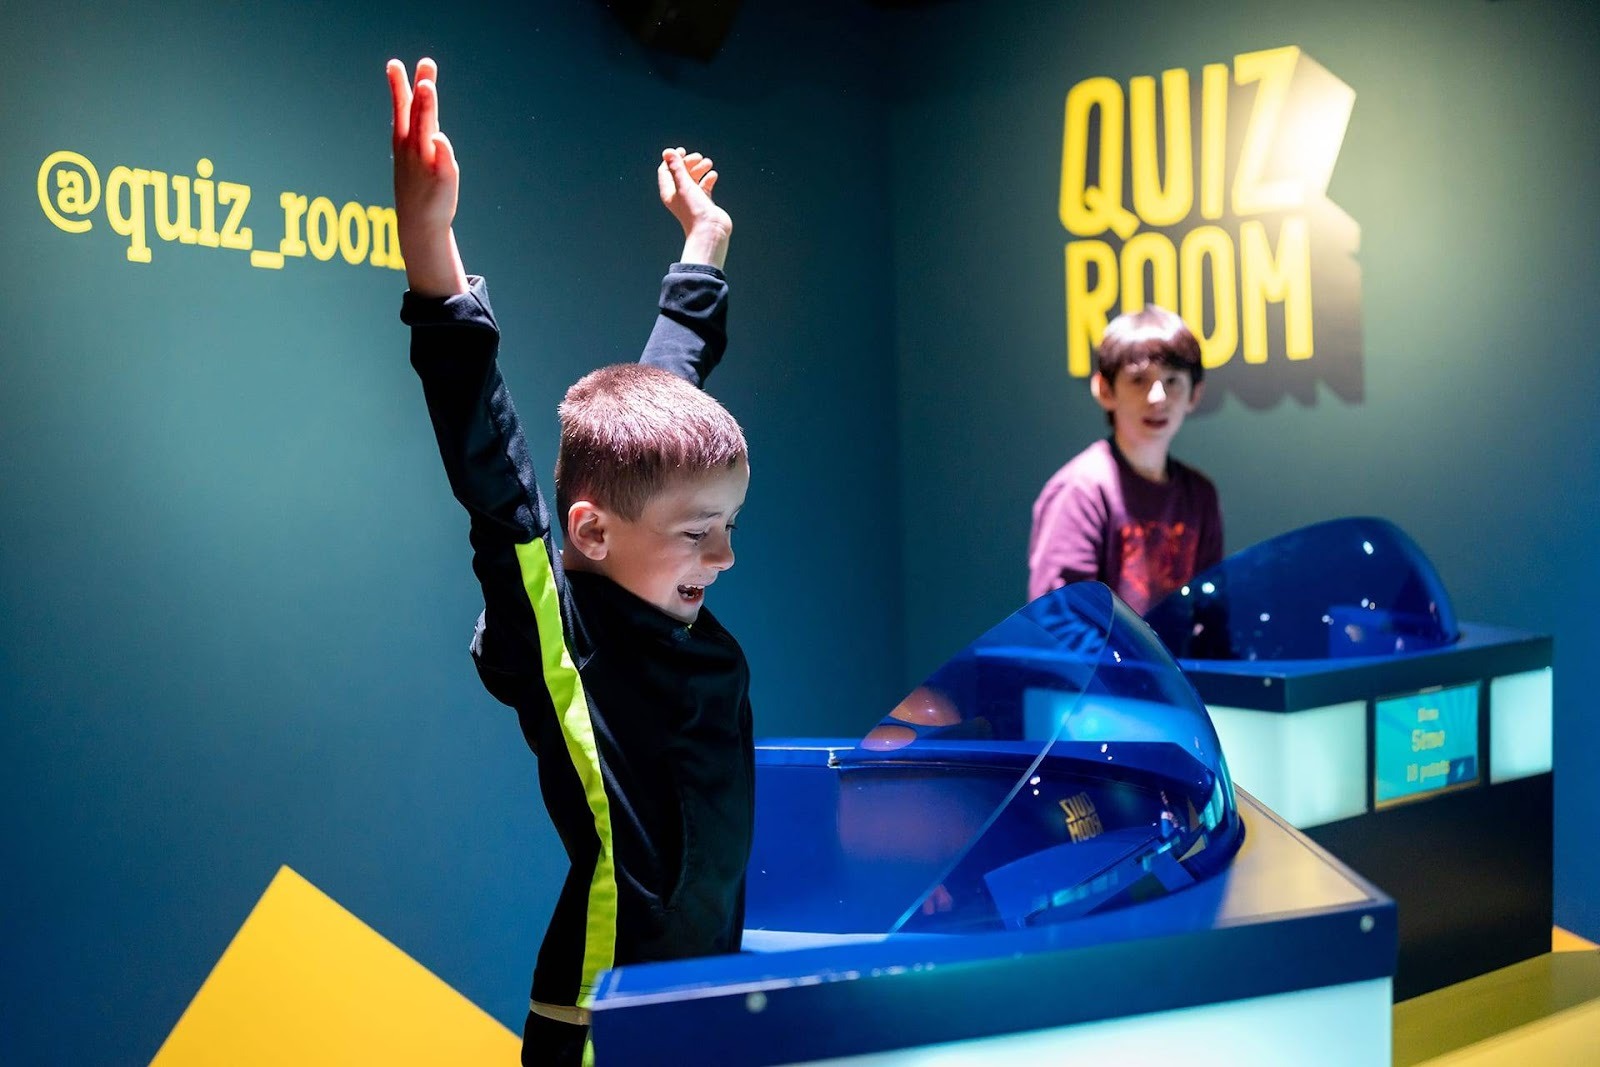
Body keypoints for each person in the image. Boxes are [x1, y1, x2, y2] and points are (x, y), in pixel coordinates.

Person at [388, 58, 753, 1066]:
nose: (724, 555)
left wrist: (705, 244)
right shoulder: (562, 629)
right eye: (699, 532)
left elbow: (668, 391)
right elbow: (489, 465)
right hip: (603, 1023)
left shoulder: (660, 580)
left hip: (696, 1002)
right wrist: (430, 244)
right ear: (591, 532)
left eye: (728, 524)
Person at [1026, 305, 1222, 615]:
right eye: (1138, 380)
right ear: (1105, 390)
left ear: (1195, 394)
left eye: (1172, 381)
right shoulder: (1081, 491)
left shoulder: (1199, 495)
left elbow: (1210, 615)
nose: (1157, 397)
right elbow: (1059, 620)